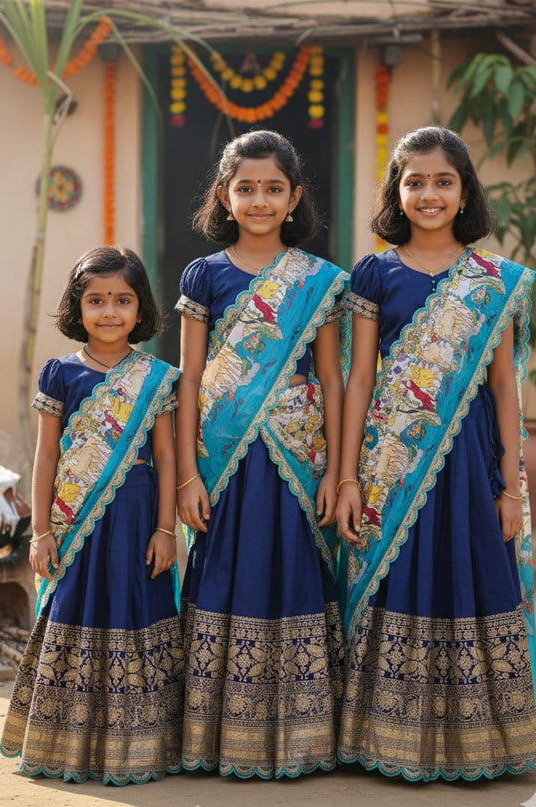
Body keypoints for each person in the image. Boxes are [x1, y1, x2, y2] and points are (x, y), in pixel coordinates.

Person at [336, 126, 536, 781]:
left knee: (473, 574)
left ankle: (482, 737)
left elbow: (505, 385)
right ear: (396, 191)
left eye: (442, 180)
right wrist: (347, 476)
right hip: (391, 463)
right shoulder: (373, 272)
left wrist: (509, 487)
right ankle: (388, 734)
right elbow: (359, 378)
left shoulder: (494, 280)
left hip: (469, 462)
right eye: (414, 180)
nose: (428, 193)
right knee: (399, 580)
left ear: (463, 191)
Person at [175, 130, 349, 779]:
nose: (258, 199)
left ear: (294, 196)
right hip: (222, 460)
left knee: (294, 574)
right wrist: (188, 474)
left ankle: (302, 735)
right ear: (224, 195)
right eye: (245, 188)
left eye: (272, 188)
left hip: (299, 462)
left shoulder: (320, 280)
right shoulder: (205, 274)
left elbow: (332, 378)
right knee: (226, 572)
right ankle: (215, 736)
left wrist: (337, 469)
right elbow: (189, 378)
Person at [0, 246, 183, 784]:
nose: (109, 311)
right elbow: (46, 457)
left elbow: (168, 456)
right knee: (77, 614)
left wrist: (166, 528)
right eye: (95, 300)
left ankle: (139, 747)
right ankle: (68, 746)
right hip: (75, 527)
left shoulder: (157, 377)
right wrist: (39, 531)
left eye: (122, 300)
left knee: (135, 613)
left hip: (137, 523)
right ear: (76, 309)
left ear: (140, 307)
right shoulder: (60, 375)